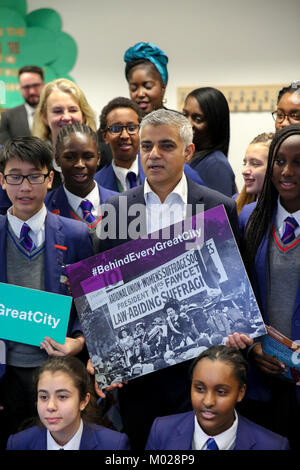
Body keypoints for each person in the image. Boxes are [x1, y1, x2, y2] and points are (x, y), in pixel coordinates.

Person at [93, 108, 240, 450]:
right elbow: (105, 291)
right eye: (147, 146)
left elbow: (234, 282)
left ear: (188, 151)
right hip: (140, 379)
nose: (153, 155)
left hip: (203, 371)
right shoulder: (117, 210)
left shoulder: (217, 208)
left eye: (166, 146)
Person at [0, 136, 94, 446]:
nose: (24, 186)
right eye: (15, 176)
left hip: (57, 369)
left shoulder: (76, 233)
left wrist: (78, 343)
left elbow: (89, 304)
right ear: (2, 180)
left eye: (34, 176)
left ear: (50, 178)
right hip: (6, 371)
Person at [228, 124, 300, 449]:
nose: (286, 171)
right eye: (279, 160)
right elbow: (235, 293)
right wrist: (254, 347)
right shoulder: (248, 218)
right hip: (259, 377)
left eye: (298, 162)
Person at [145, 345, 290, 450]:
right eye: (199, 389)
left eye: (221, 392)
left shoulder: (273, 446)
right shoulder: (161, 431)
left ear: (240, 392)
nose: (208, 402)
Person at [6, 356, 130, 450]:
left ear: (83, 401)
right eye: (43, 397)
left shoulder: (114, 445)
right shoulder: (18, 444)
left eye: (62, 396)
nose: (50, 406)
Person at [94, 97, 205, 192]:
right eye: (116, 129)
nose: (124, 135)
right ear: (104, 136)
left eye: (132, 128)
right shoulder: (96, 183)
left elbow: (207, 208)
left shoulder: (179, 171)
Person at [45, 123, 116, 250]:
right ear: (57, 160)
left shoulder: (122, 203)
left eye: (88, 157)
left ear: (98, 158)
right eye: (70, 157)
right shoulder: (44, 208)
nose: (79, 164)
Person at [32, 78, 96, 189]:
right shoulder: (35, 162)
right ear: (44, 117)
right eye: (58, 111)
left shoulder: (102, 159)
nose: (66, 117)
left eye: (73, 110)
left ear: (84, 115)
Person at [182, 87, 236, 197]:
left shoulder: (216, 166)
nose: (188, 124)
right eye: (185, 115)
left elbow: (218, 213)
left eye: (197, 119)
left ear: (215, 124)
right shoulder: (190, 156)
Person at [0, 65, 45, 145]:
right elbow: (5, 151)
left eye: (35, 85)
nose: (32, 91)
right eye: (26, 87)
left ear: (44, 85)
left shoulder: (57, 114)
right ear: (20, 89)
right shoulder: (7, 117)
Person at [124, 41, 168, 116]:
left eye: (148, 87)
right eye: (133, 88)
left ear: (163, 87)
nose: (140, 94)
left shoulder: (178, 124)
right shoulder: (126, 125)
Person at [236, 132, 274, 214]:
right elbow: (202, 226)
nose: (244, 171)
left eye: (255, 164)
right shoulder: (234, 202)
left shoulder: (282, 213)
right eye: (244, 163)